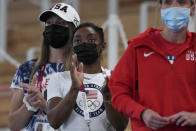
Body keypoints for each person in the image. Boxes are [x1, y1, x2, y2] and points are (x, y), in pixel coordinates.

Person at [108, 0, 196, 131]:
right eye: (168, 2)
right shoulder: (138, 47)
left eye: (182, 2)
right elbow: (117, 91)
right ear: (161, 8)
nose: (174, 7)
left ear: (192, 9)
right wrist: (142, 113)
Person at [8, 3, 80, 131]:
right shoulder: (27, 68)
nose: (53, 26)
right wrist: (29, 105)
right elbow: (13, 125)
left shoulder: (79, 70)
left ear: (72, 30)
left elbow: (82, 120)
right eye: (49, 22)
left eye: (60, 22)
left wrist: (44, 105)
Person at [46, 22, 128, 131]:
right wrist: (74, 88)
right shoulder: (58, 78)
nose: (84, 44)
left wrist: (108, 100)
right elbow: (54, 121)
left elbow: (121, 126)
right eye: (78, 41)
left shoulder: (114, 78)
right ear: (73, 47)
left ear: (103, 45)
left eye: (91, 40)